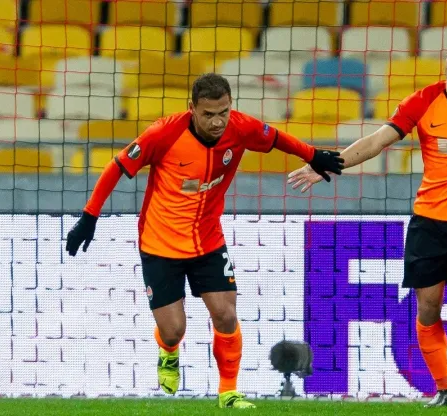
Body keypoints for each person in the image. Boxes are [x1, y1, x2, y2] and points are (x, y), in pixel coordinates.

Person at [288, 30, 447, 407]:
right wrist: (328, 165)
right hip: (429, 220)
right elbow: (378, 141)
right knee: (427, 307)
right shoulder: (423, 100)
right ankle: (445, 390)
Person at [64, 73, 344, 408]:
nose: (217, 121)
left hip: (208, 240)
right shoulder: (164, 133)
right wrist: (89, 217)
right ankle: (168, 353)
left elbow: (277, 138)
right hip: (160, 242)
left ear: (231, 106)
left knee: (226, 315)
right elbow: (116, 167)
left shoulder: (241, 127)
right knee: (174, 330)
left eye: (223, 111)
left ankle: (228, 392)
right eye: (208, 114)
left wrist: (312, 154)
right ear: (192, 109)